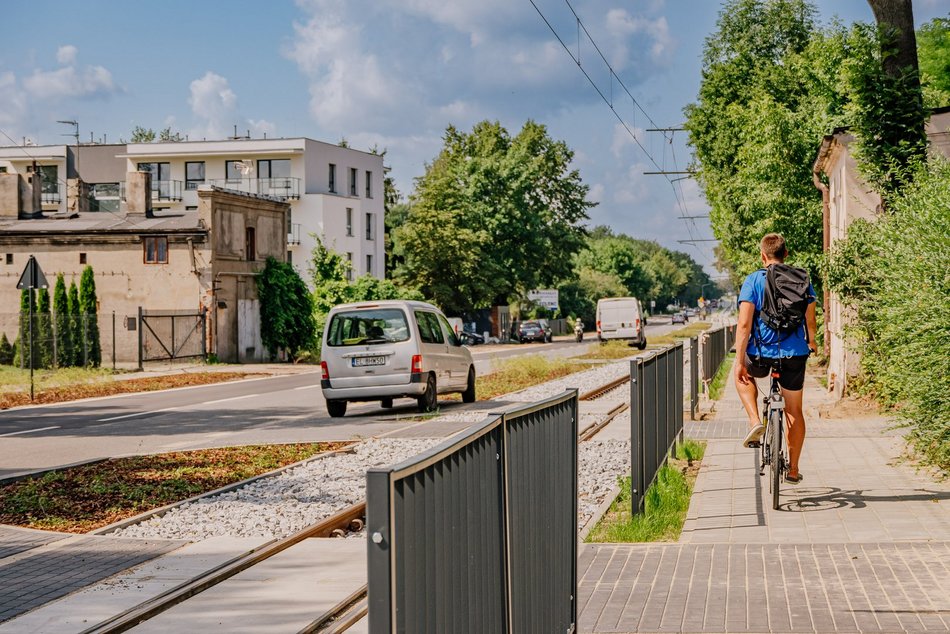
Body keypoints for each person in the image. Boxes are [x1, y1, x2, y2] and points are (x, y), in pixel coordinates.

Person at [735, 233, 817, 484]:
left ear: (763, 255)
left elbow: (744, 323)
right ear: (786, 254)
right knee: (794, 411)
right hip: (794, 354)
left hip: (760, 355)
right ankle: (793, 469)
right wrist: (812, 342)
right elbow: (810, 321)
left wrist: (739, 360)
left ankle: (754, 421)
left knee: (741, 376)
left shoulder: (753, 280)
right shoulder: (802, 279)